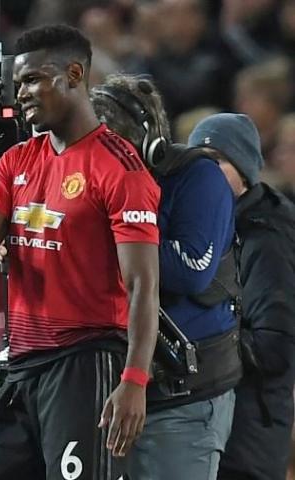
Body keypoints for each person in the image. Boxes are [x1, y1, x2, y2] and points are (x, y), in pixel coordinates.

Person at [0, 24, 161, 479]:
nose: (20, 93)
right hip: (22, 364)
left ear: (73, 74)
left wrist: (134, 381)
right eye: (17, 82)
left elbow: (144, 284)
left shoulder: (120, 168)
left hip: (86, 362)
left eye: (32, 80)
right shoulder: (17, 161)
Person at [90, 75, 241, 480]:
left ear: (148, 144)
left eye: (114, 146)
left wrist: (103, 236)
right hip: (110, 388)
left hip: (184, 397)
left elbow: (193, 269)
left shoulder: (198, 177)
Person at [186, 113, 295, 480]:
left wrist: (200, 343)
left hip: (248, 438)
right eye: (196, 162)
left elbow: (275, 347)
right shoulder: (201, 231)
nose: (205, 173)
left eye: (217, 161)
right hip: (211, 430)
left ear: (245, 173)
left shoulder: (268, 240)